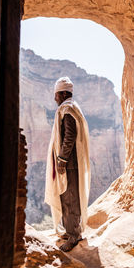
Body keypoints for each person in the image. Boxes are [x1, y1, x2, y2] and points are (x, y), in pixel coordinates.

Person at [45, 76, 91, 252]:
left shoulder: (68, 109)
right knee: (66, 197)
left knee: (70, 199)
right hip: (68, 162)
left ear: (64, 93)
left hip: (69, 164)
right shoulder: (69, 108)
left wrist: (62, 159)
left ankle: (74, 236)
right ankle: (71, 230)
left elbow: (69, 136)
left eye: (57, 94)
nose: (55, 98)